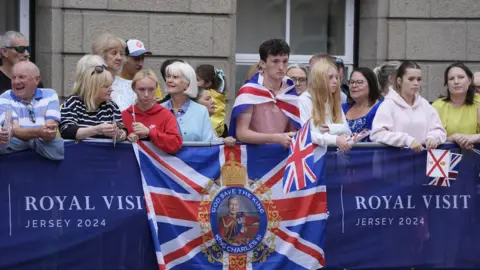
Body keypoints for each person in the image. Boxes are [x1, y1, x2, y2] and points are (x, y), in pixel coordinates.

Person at [230, 39, 300, 148]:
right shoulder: (249, 91)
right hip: (255, 157)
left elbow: (294, 129)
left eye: (285, 61)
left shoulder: (290, 91)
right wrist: (276, 138)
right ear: (262, 63)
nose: (281, 67)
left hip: (282, 156)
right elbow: (242, 134)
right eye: (275, 61)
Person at [371, 61, 446, 152]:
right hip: (396, 162)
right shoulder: (388, 105)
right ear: (399, 81)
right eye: (411, 79)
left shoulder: (424, 104)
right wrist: (406, 140)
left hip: (422, 161)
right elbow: (377, 134)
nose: (416, 83)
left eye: (419, 79)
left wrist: (433, 137)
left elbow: (440, 131)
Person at [0, 61, 63, 160]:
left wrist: (21, 135)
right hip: (16, 165)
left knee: (56, 146)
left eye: (21, 77)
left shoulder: (50, 95)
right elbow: (13, 129)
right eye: (13, 77)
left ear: (37, 80)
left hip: (47, 165)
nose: (16, 82)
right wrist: (38, 133)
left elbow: (49, 133)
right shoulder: (5, 97)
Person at [60, 55, 127, 141]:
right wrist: (97, 130)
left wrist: (119, 134)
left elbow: (123, 130)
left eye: (111, 85)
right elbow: (66, 131)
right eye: (106, 86)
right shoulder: (74, 103)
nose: (111, 89)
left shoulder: (111, 106)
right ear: (93, 87)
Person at [122, 69, 182, 153]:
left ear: (156, 89)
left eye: (150, 90)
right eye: (141, 89)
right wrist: (125, 137)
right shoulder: (124, 115)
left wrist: (149, 132)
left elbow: (175, 144)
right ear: (134, 89)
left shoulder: (166, 114)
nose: (146, 94)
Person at [161, 61, 216, 142]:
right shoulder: (159, 109)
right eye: (168, 76)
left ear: (188, 84)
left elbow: (208, 143)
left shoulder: (201, 111)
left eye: (175, 77)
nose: (169, 80)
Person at [432, 62, 480, 149]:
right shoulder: (437, 106)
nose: (456, 82)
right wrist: (452, 138)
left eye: (461, 77)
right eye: (451, 79)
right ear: (447, 84)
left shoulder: (478, 102)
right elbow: (429, 139)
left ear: (469, 81)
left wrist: (473, 138)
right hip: (445, 159)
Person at [307, 60, 351, 151]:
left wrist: (331, 128)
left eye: (336, 77)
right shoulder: (304, 100)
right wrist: (334, 139)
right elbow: (305, 135)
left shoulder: (333, 102)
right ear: (318, 80)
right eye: (330, 77)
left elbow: (347, 131)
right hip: (313, 159)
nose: (335, 81)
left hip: (333, 158)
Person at [112, 39, 163, 111]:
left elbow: (159, 111)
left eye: (142, 58)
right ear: (124, 58)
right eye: (136, 59)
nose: (140, 63)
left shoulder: (151, 82)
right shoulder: (112, 82)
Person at [342, 67, 383, 141]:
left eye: (359, 82)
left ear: (371, 85)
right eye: (351, 82)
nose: (354, 85)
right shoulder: (342, 108)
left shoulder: (381, 108)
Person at [196, 64, 227, 137]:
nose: (193, 82)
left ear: (208, 84)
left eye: (197, 79)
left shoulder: (211, 96)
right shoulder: (217, 95)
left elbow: (214, 121)